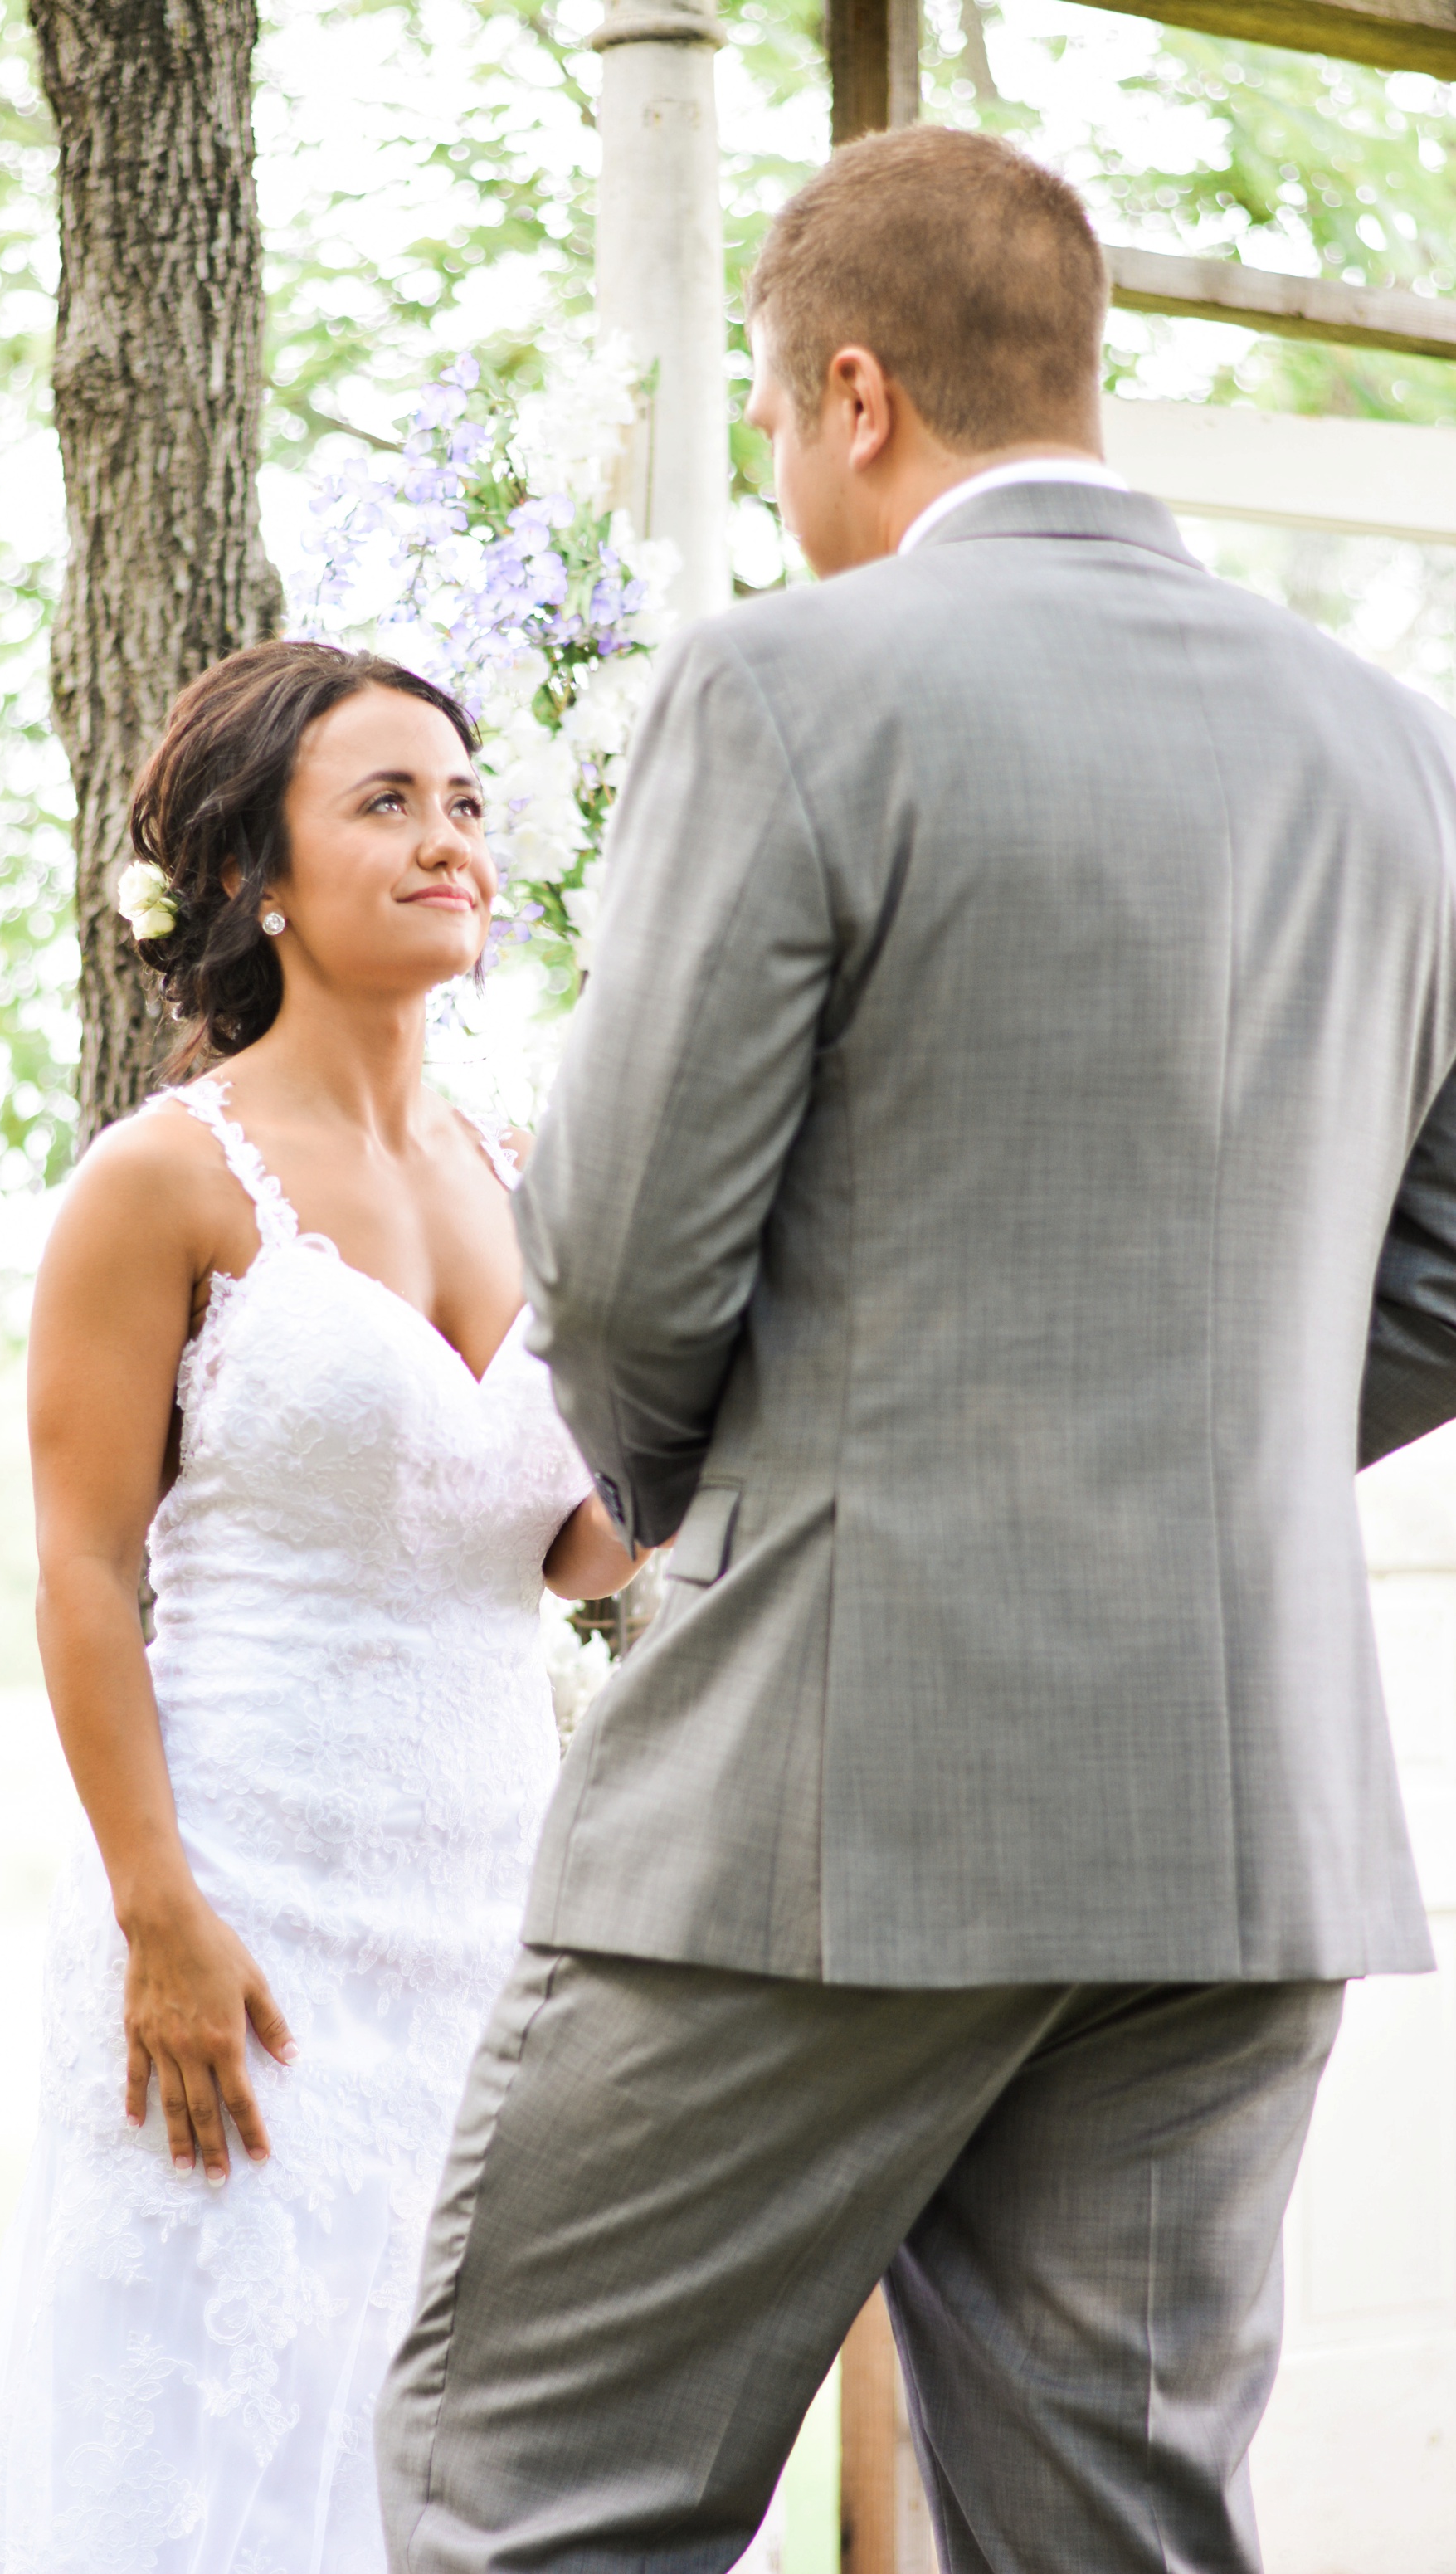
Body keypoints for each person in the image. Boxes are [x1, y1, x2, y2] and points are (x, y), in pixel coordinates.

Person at [375, 126, 1456, 2574]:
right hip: (1233, 1815)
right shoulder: (1397, 746)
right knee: (1115, 2532)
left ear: (849, 393)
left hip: (823, 1785)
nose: (778, 480)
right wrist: (1230, 1452)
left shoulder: (780, 687)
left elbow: (632, 1268)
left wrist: (706, 1511)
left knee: (529, 2485)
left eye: (770, 425)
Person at [0, 641, 637, 2574]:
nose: (445, 837)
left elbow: (567, 1553)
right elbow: (76, 1572)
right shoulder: (158, 1184)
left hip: (489, 1901)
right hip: (236, 1902)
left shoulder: (532, 1176)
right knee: (202, 2420)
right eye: (383, 801)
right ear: (256, 876)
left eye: (462, 800)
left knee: (451, 2425)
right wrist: (157, 1919)